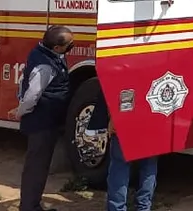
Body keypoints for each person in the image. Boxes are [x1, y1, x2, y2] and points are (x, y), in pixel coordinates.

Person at [10, 25, 74, 211]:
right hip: (41, 122)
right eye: (69, 44)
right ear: (56, 48)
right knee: (36, 167)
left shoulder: (46, 54)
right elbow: (32, 95)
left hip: (47, 120)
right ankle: (29, 207)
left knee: (41, 166)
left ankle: (33, 205)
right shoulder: (45, 66)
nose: (72, 45)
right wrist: (21, 111)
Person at [84, 90, 158, 211]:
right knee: (148, 164)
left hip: (128, 110)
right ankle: (144, 207)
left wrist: (115, 115)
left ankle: (117, 207)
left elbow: (120, 82)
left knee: (120, 165)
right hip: (154, 109)